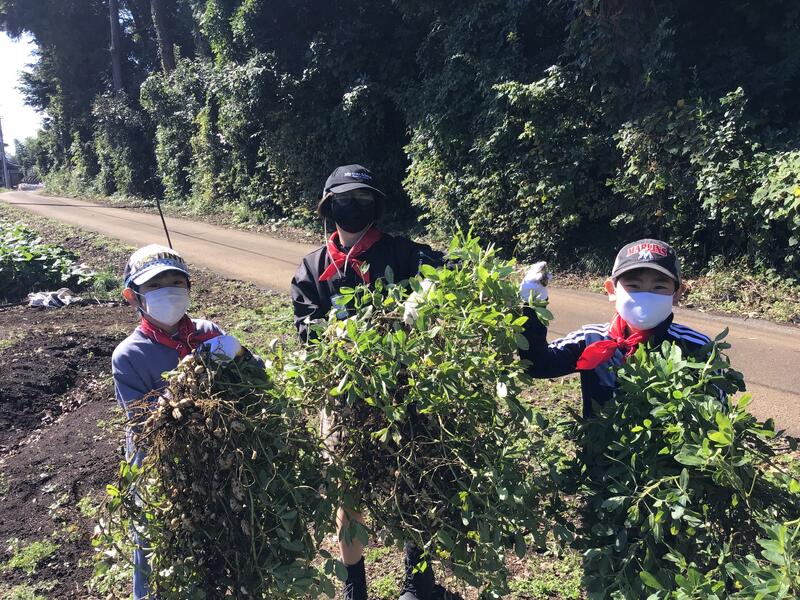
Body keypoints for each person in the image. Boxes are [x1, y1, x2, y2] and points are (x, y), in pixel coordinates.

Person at [290, 165, 449, 600]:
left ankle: (418, 580)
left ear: (375, 205)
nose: (354, 207)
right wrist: (337, 334)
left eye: (362, 199)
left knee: (414, 482)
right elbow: (306, 328)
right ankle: (354, 585)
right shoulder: (313, 267)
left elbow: (450, 272)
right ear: (329, 207)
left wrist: (426, 295)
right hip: (343, 396)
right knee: (347, 491)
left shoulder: (401, 252)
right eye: (345, 200)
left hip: (404, 389)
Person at [112, 244, 248, 600]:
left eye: (176, 283)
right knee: (158, 552)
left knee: (223, 546)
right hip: (160, 471)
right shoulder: (129, 355)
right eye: (155, 286)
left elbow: (254, 385)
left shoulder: (208, 331)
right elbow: (144, 423)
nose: (168, 292)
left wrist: (241, 354)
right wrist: (185, 382)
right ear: (132, 296)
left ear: (189, 288)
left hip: (216, 463)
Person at [518, 238, 715, 418]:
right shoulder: (591, 339)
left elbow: (715, 414)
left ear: (677, 294)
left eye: (659, 287)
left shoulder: (697, 348)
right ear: (611, 290)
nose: (645, 296)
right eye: (634, 285)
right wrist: (533, 306)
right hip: (600, 447)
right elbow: (538, 365)